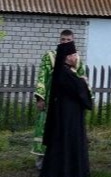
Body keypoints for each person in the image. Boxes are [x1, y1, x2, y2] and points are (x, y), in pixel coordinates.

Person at [37, 40, 92, 177]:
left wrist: (79, 79)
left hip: (66, 114)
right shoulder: (64, 72)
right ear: (68, 57)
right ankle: (68, 174)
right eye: (74, 54)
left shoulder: (63, 71)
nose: (76, 57)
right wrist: (83, 81)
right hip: (68, 116)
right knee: (68, 142)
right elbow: (79, 89)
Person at [33, 28, 86, 163]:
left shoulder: (77, 58)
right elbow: (42, 76)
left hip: (69, 103)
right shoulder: (50, 56)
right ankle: (42, 160)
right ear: (59, 40)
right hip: (51, 99)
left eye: (68, 40)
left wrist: (84, 100)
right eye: (63, 39)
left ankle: (63, 160)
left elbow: (83, 79)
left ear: (73, 41)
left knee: (65, 130)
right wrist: (40, 98)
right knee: (46, 127)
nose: (65, 42)